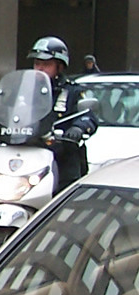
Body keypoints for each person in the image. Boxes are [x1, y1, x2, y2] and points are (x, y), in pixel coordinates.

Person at [27, 36, 98, 189]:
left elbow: (88, 116)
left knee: (63, 203)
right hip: (29, 153)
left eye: (46, 64)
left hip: (61, 158)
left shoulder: (73, 91)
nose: (40, 68)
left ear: (59, 66)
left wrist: (78, 128)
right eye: (37, 63)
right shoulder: (25, 91)